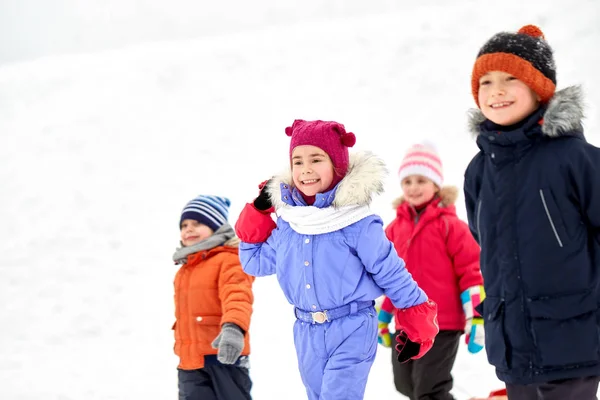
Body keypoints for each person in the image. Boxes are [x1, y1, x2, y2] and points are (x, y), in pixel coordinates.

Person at [234, 119, 439, 400]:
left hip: (352, 327)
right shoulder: (290, 224)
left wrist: (417, 324)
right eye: (297, 161)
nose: (305, 169)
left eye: (316, 159)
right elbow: (253, 261)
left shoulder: (357, 223)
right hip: (306, 331)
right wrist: (259, 211)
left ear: (337, 165)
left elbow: (391, 273)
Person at [464, 24, 600, 400]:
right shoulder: (479, 170)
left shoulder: (574, 159)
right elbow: (484, 240)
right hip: (512, 343)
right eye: (486, 82)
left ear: (539, 87)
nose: (497, 91)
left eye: (511, 78)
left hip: (573, 339)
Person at [377, 143, 484, 400]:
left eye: (421, 180)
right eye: (408, 181)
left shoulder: (452, 227)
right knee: (406, 386)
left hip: (442, 323)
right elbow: (387, 277)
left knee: (430, 389)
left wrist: (477, 318)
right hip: (406, 323)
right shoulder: (393, 229)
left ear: (436, 184)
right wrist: (382, 317)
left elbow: (471, 274)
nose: (413, 187)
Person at [172, 195, 254, 400]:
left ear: (216, 226)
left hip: (225, 357)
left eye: (197, 223)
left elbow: (237, 296)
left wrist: (233, 329)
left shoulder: (229, 259)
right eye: (184, 225)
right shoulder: (185, 269)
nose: (188, 229)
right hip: (190, 362)